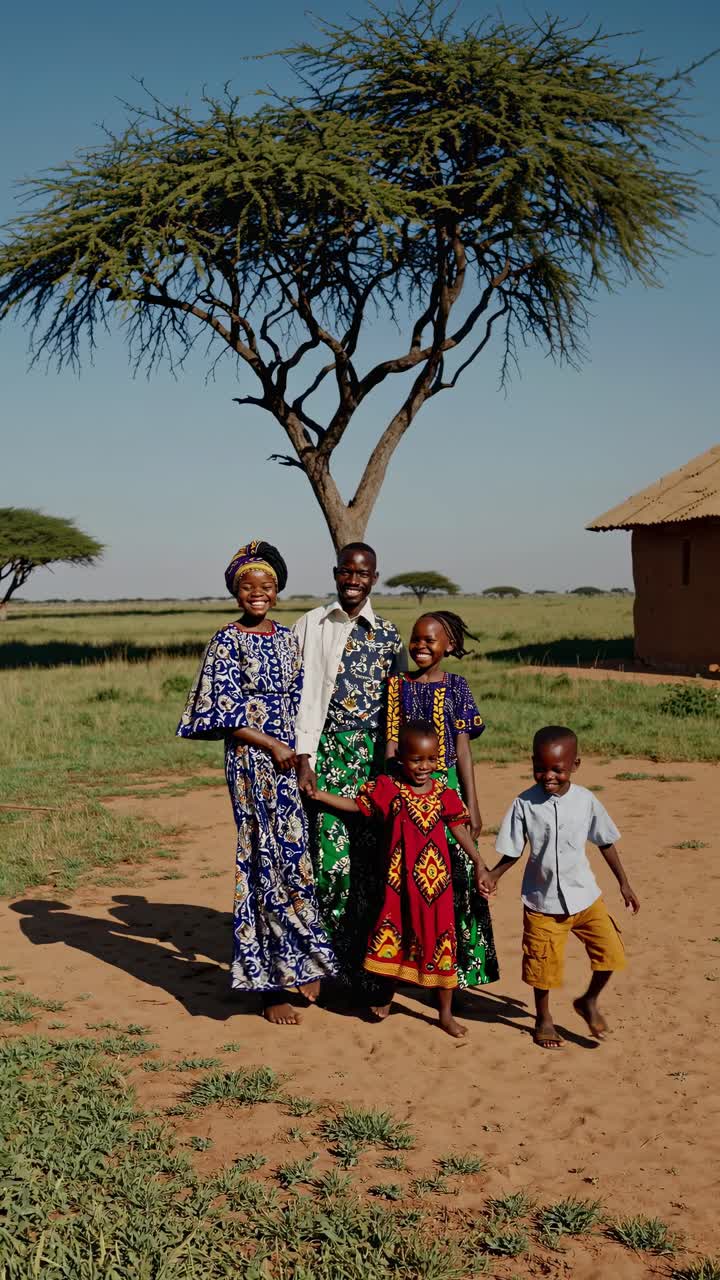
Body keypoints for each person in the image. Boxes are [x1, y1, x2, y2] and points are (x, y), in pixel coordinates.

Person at [177, 540, 336, 1025]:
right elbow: (220, 712)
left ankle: (303, 958)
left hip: (290, 762)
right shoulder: (226, 641)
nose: (258, 593)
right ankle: (270, 986)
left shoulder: (288, 639)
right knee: (262, 859)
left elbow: (302, 704)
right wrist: (271, 745)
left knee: (296, 856)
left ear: (278, 590)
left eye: (266, 586)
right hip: (251, 763)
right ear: (235, 591)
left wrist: (300, 756)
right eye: (248, 586)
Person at [314, 721, 495, 1037]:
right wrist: (320, 796)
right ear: (401, 758)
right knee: (393, 936)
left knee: (442, 945)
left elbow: (457, 828)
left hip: (436, 887)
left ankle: (445, 1014)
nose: (424, 767)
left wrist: (479, 862)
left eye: (431, 760)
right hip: (398, 885)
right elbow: (358, 806)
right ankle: (386, 995)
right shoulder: (388, 787)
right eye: (416, 760)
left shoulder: (444, 792)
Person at [293, 542, 405, 1002]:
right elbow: (298, 695)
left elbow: (396, 710)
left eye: (363, 573)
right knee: (329, 867)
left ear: (375, 578)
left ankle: (369, 973)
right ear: (336, 574)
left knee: (372, 870)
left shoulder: (389, 636)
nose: (354, 580)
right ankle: (325, 966)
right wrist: (303, 757)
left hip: (374, 766)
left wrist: (391, 773)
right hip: (325, 759)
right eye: (347, 571)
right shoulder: (312, 624)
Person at [483, 725, 640, 1050]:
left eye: (558, 769)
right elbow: (514, 849)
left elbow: (606, 842)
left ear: (575, 765)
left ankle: (589, 1001)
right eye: (540, 768)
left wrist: (624, 884)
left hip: (585, 898)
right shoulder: (524, 804)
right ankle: (543, 1018)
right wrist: (494, 874)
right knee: (543, 967)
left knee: (611, 954)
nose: (548, 776)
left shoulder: (586, 801)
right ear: (532, 763)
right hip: (542, 903)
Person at [385, 612, 499, 991]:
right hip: (407, 791)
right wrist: (391, 791)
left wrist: (473, 804)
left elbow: (463, 751)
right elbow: (389, 745)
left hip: (447, 790)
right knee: (405, 879)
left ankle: (460, 976)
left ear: (448, 646)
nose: (420, 646)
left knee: (460, 878)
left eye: (430, 640)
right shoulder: (396, 685)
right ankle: (402, 972)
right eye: (415, 638)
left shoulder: (458, 687)